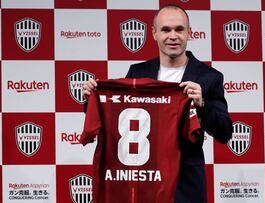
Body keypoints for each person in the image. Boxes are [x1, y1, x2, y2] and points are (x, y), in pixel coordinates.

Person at [83, 4, 232, 203]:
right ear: (154, 33)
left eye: (179, 29)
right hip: (145, 178)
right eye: (165, 30)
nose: (173, 36)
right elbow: (116, 118)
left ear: (189, 33)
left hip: (185, 182)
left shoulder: (209, 77)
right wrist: (92, 99)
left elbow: (225, 133)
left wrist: (202, 103)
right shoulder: (137, 72)